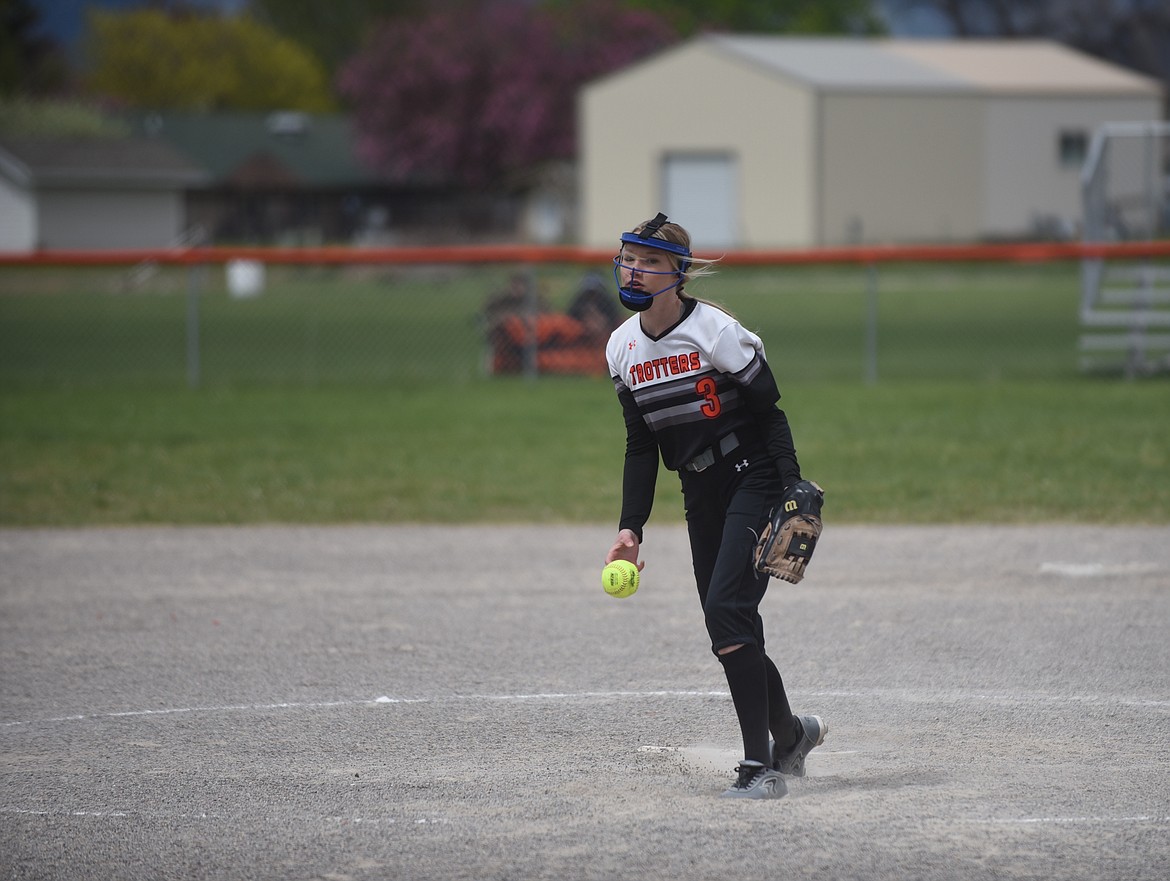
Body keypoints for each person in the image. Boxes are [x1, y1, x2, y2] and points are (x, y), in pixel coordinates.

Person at [602, 213, 827, 799]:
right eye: (630, 257)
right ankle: (790, 732)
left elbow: (768, 413)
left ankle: (761, 767)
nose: (635, 269)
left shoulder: (715, 331)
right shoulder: (621, 347)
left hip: (751, 476)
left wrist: (793, 491)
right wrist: (631, 529)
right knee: (728, 622)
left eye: (650, 261)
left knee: (727, 614)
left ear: (678, 274)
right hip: (698, 493)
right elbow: (640, 444)